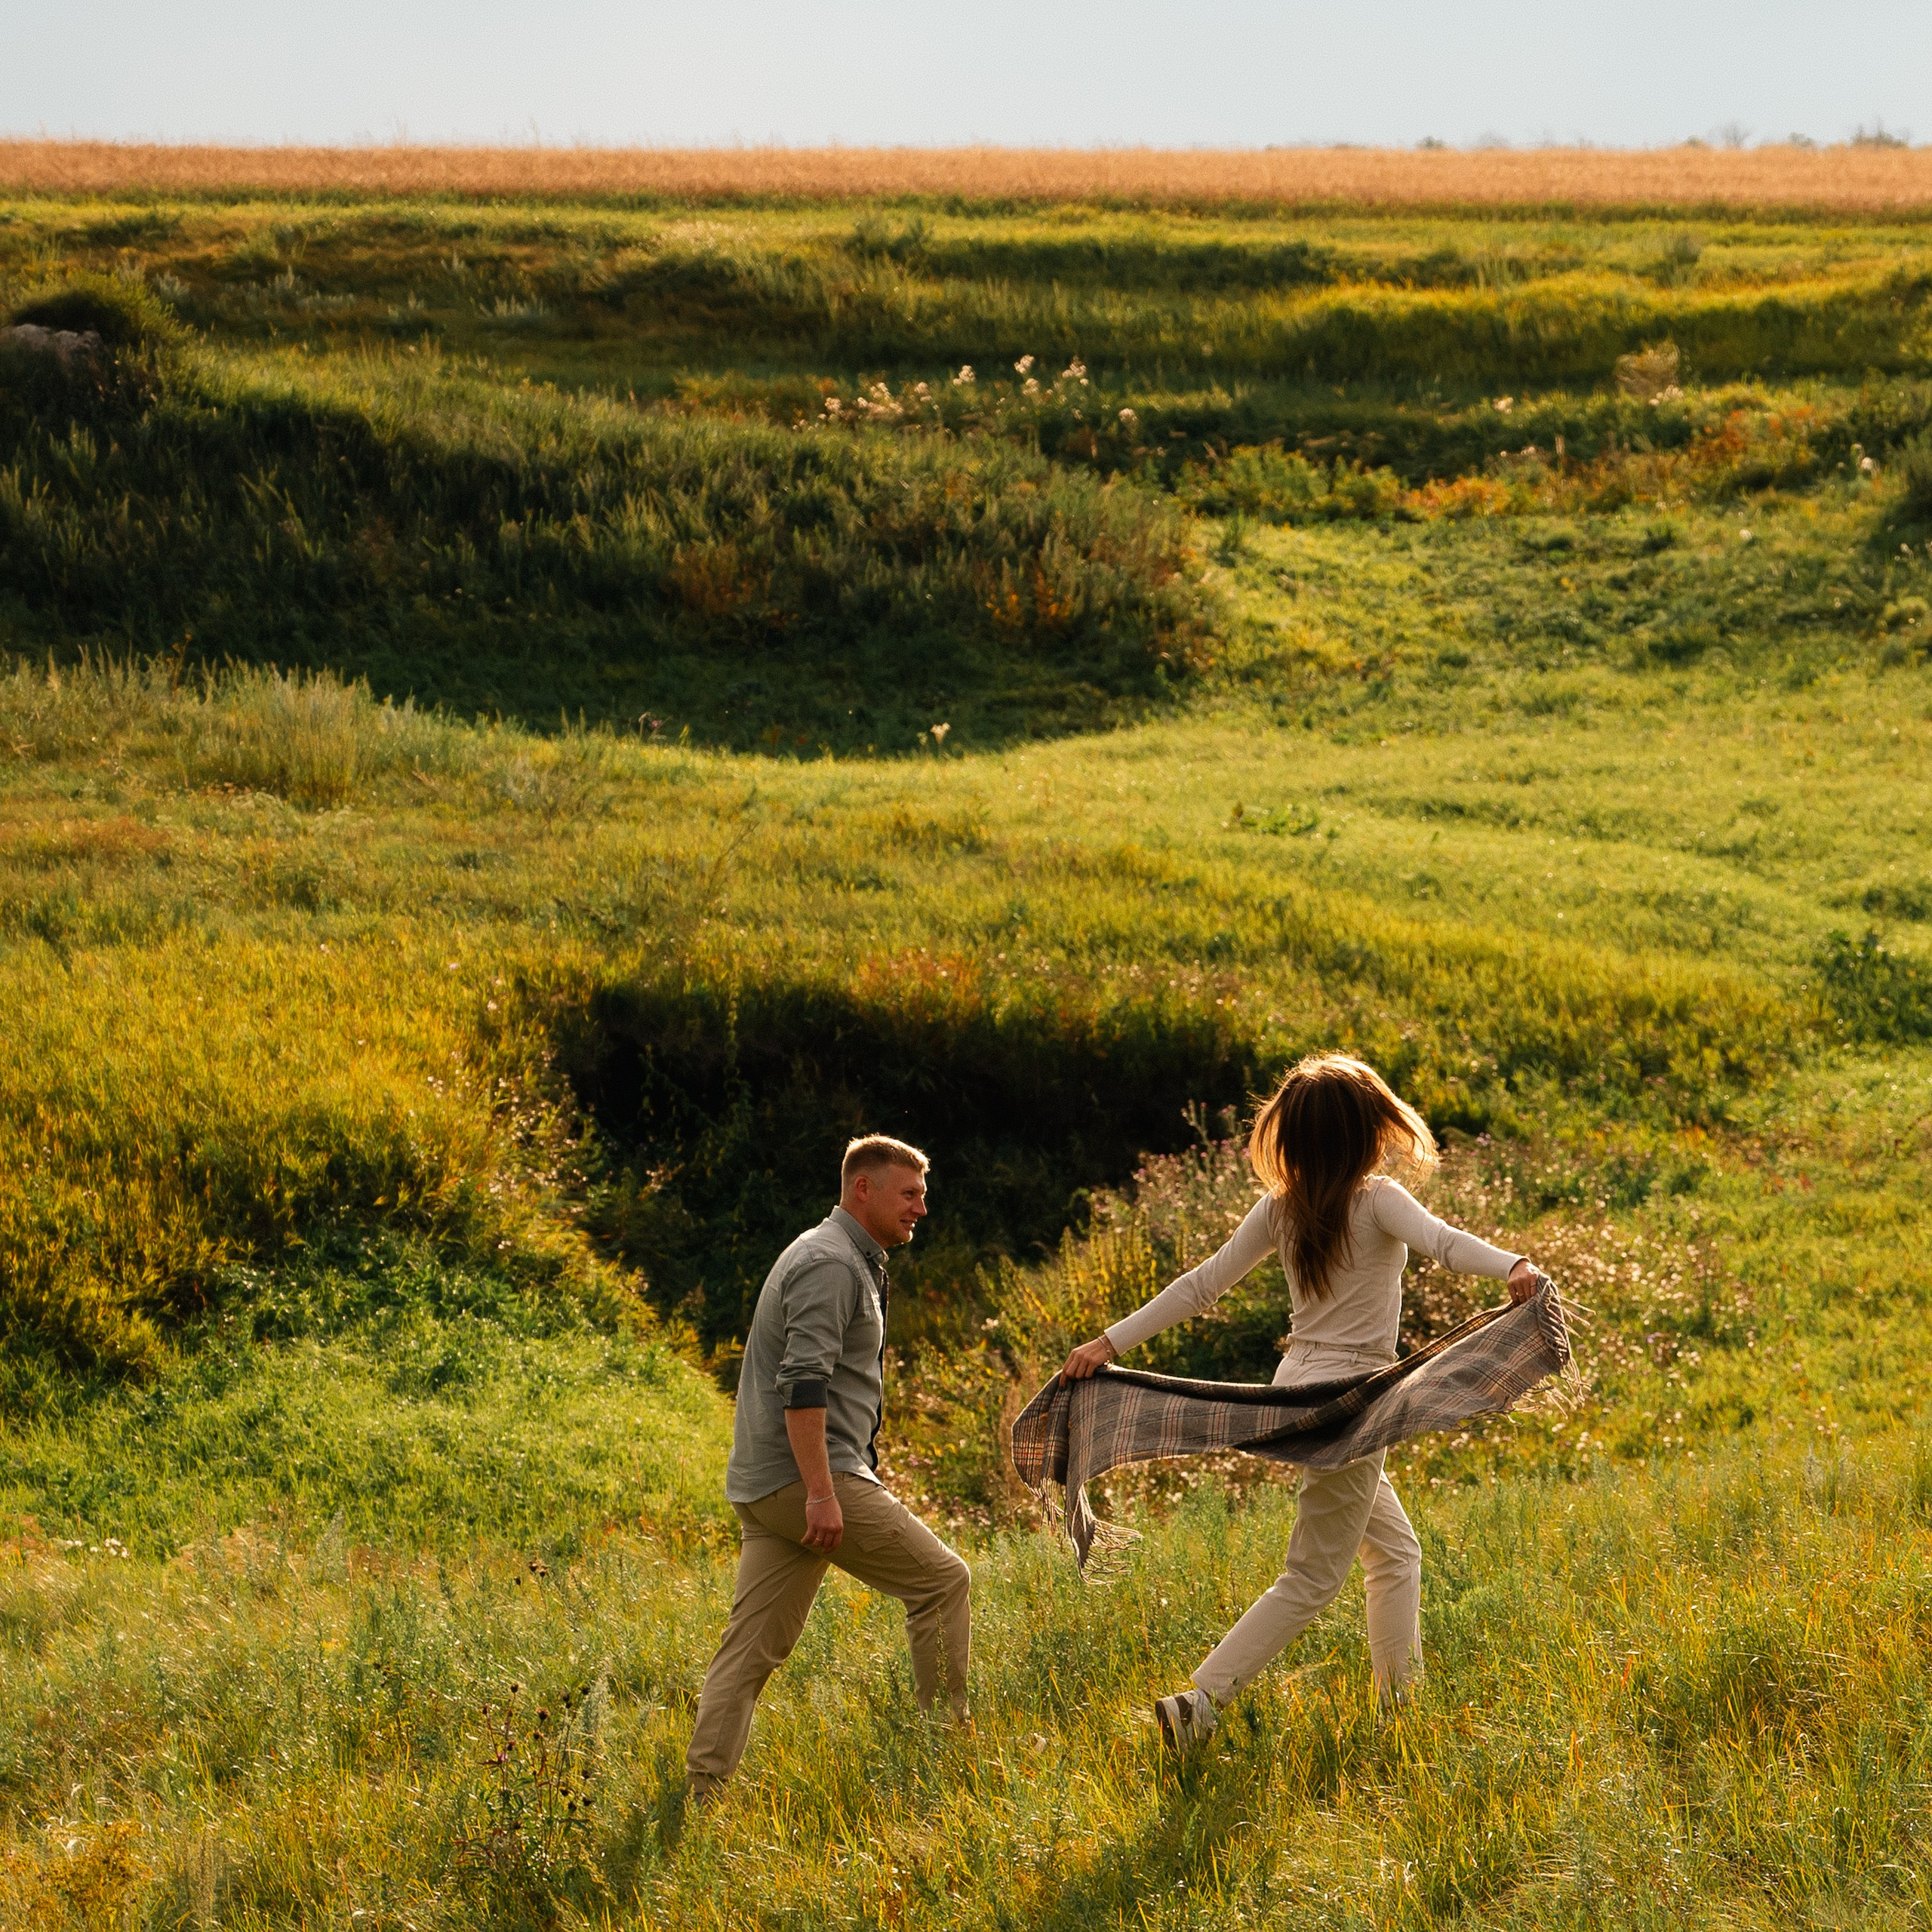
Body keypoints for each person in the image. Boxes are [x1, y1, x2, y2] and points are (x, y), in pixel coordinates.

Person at [1059, 1054, 1538, 1752]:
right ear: (1364, 1131)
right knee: (1313, 1574)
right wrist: (1514, 1265)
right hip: (1350, 1398)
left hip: (1301, 1385)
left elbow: (1200, 1286)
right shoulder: (1375, 1198)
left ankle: (1401, 1712)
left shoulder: (1281, 1206)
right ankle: (1200, 1703)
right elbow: (1443, 1244)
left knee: (1396, 1553)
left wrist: (1111, 1339)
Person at [685, 1134, 971, 1802]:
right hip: (803, 1481)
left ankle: (704, 1792)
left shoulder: (842, 1257)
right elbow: (803, 1382)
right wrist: (822, 1492)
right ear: (861, 1189)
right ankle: (948, 1759)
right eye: (909, 1194)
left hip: (771, 1482)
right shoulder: (831, 1263)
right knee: (941, 1582)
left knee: (751, 1649)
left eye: (923, 1196)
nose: (921, 1209)